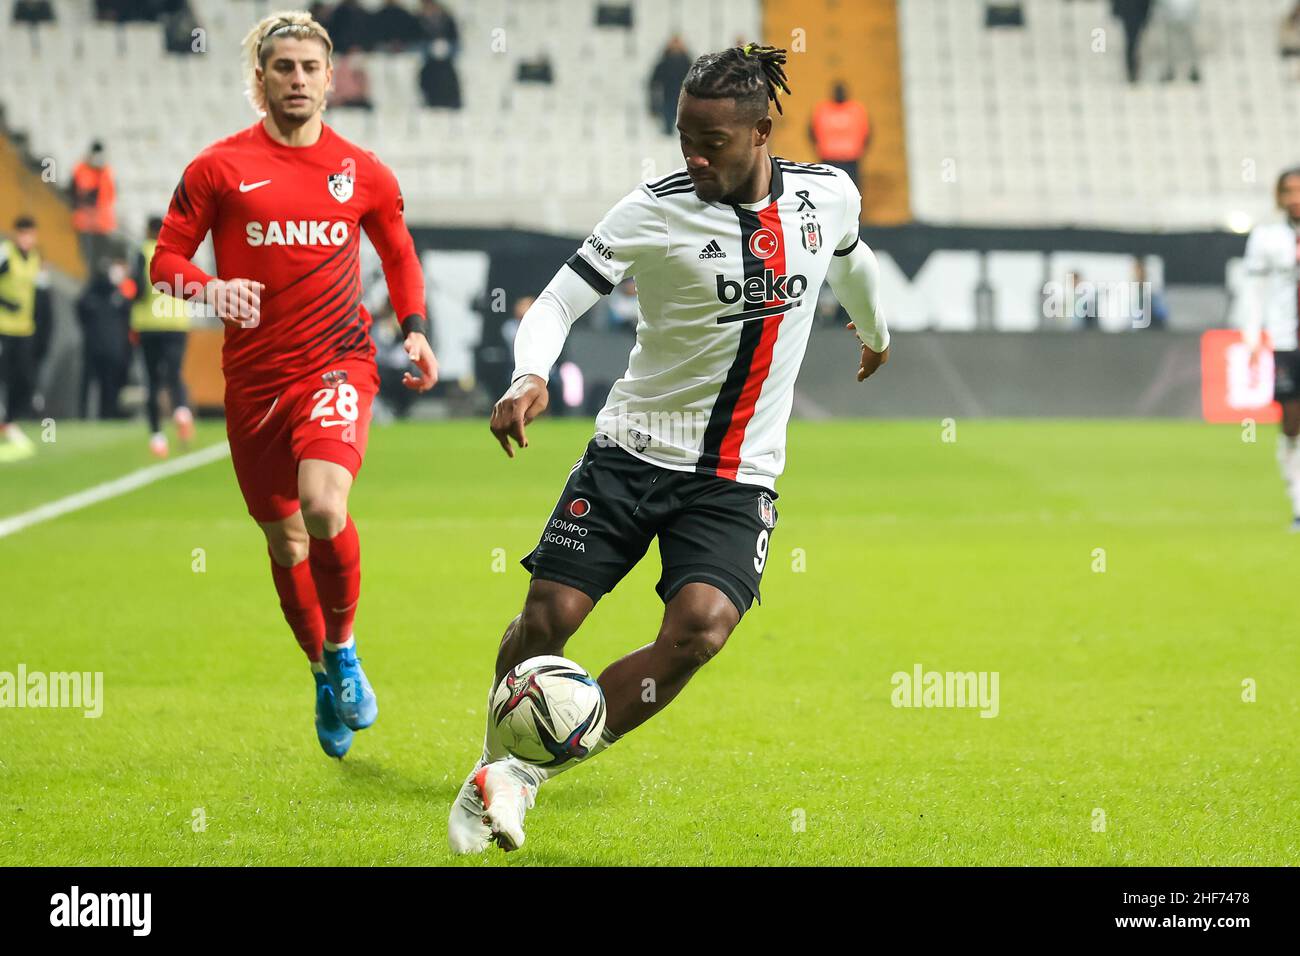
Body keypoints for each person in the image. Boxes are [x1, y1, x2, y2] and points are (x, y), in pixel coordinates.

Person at [449, 44, 890, 853]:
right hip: (632, 452)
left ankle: (523, 772)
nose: (692, 155)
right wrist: (527, 376)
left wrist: (876, 331)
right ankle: (492, 759)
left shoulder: (827, 196)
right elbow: (555, 300)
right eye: (683, 135)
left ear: (762, 130)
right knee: (549, 619)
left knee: (699, 632)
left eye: (710, 141)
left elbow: (852, 261)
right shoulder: (653, 208)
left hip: (736, 474)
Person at [150, 10, 438, 758]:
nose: (300, 80)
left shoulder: (363, 171)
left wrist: (412, 324)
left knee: (321, 505)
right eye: (284, 68)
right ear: (261, 78)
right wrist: (210, 291)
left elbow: (399, 252)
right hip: (253, 384)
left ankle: (343, 649)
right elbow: (165, 262)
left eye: (312, 68)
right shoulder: (216, 168)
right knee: (283, 542)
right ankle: (319, 672)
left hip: (338, 364)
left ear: (331, 77)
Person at [1243, 166, 1300, 530]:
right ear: (1278, 196)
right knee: (1292, 423)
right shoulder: (1266, 238)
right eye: (1288, 190)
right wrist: (1251, 336)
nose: (1294, 197)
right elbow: (1254, 292)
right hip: (1286, 340)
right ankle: (1298, 500)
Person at [131, 215, 195, 457]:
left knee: (152, 381)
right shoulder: (181, 251)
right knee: (173, 373)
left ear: (149, 230)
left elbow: (137, 288)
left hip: (148, 325)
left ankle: (157, 438)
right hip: (176, 323)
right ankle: (181, 411)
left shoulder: (144, 252)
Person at [0, 216, 42, 461]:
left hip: (24, 328)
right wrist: (6, 303)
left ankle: (10, 421)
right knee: (3, 375)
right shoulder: (6, 256)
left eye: (30, 234)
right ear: (16, 234)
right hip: (3, 327)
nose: (26, 239)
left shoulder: (35, 257)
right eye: (22, 234)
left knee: (24, 377)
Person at [76, 255, 133, 420]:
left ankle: (106, 415)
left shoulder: (119, 294)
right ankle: (86, 415)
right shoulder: (94, 294)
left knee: (108, 384)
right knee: (92, 383)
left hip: (109, 346)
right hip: (100, 345)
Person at [809, 81, 871, 192]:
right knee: (829, 190)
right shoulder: (823, 109)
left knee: (851, 190)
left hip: (850, 158)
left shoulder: (856, 109)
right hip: (829, 157)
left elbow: (867, 133)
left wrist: (861, 150)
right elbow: (811, 132)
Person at [70, 141, 117, 277]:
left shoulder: (107, 172)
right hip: (85, 223)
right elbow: (75, 193)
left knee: (102, 261)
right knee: (88, 260)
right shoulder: (81, 169)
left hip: (103, 224)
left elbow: (109, 196)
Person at [648, 35, 692, 136]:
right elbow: (654, 82)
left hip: (683, 98)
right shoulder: (663, 63)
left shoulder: (687, 63)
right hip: (667, 96)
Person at [1112, 0, 1153, 84]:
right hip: (1128, 11)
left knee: (1134, 41)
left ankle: (1133, 68)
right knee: (1131, 41)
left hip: (1138, 10)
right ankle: (1132, 68)